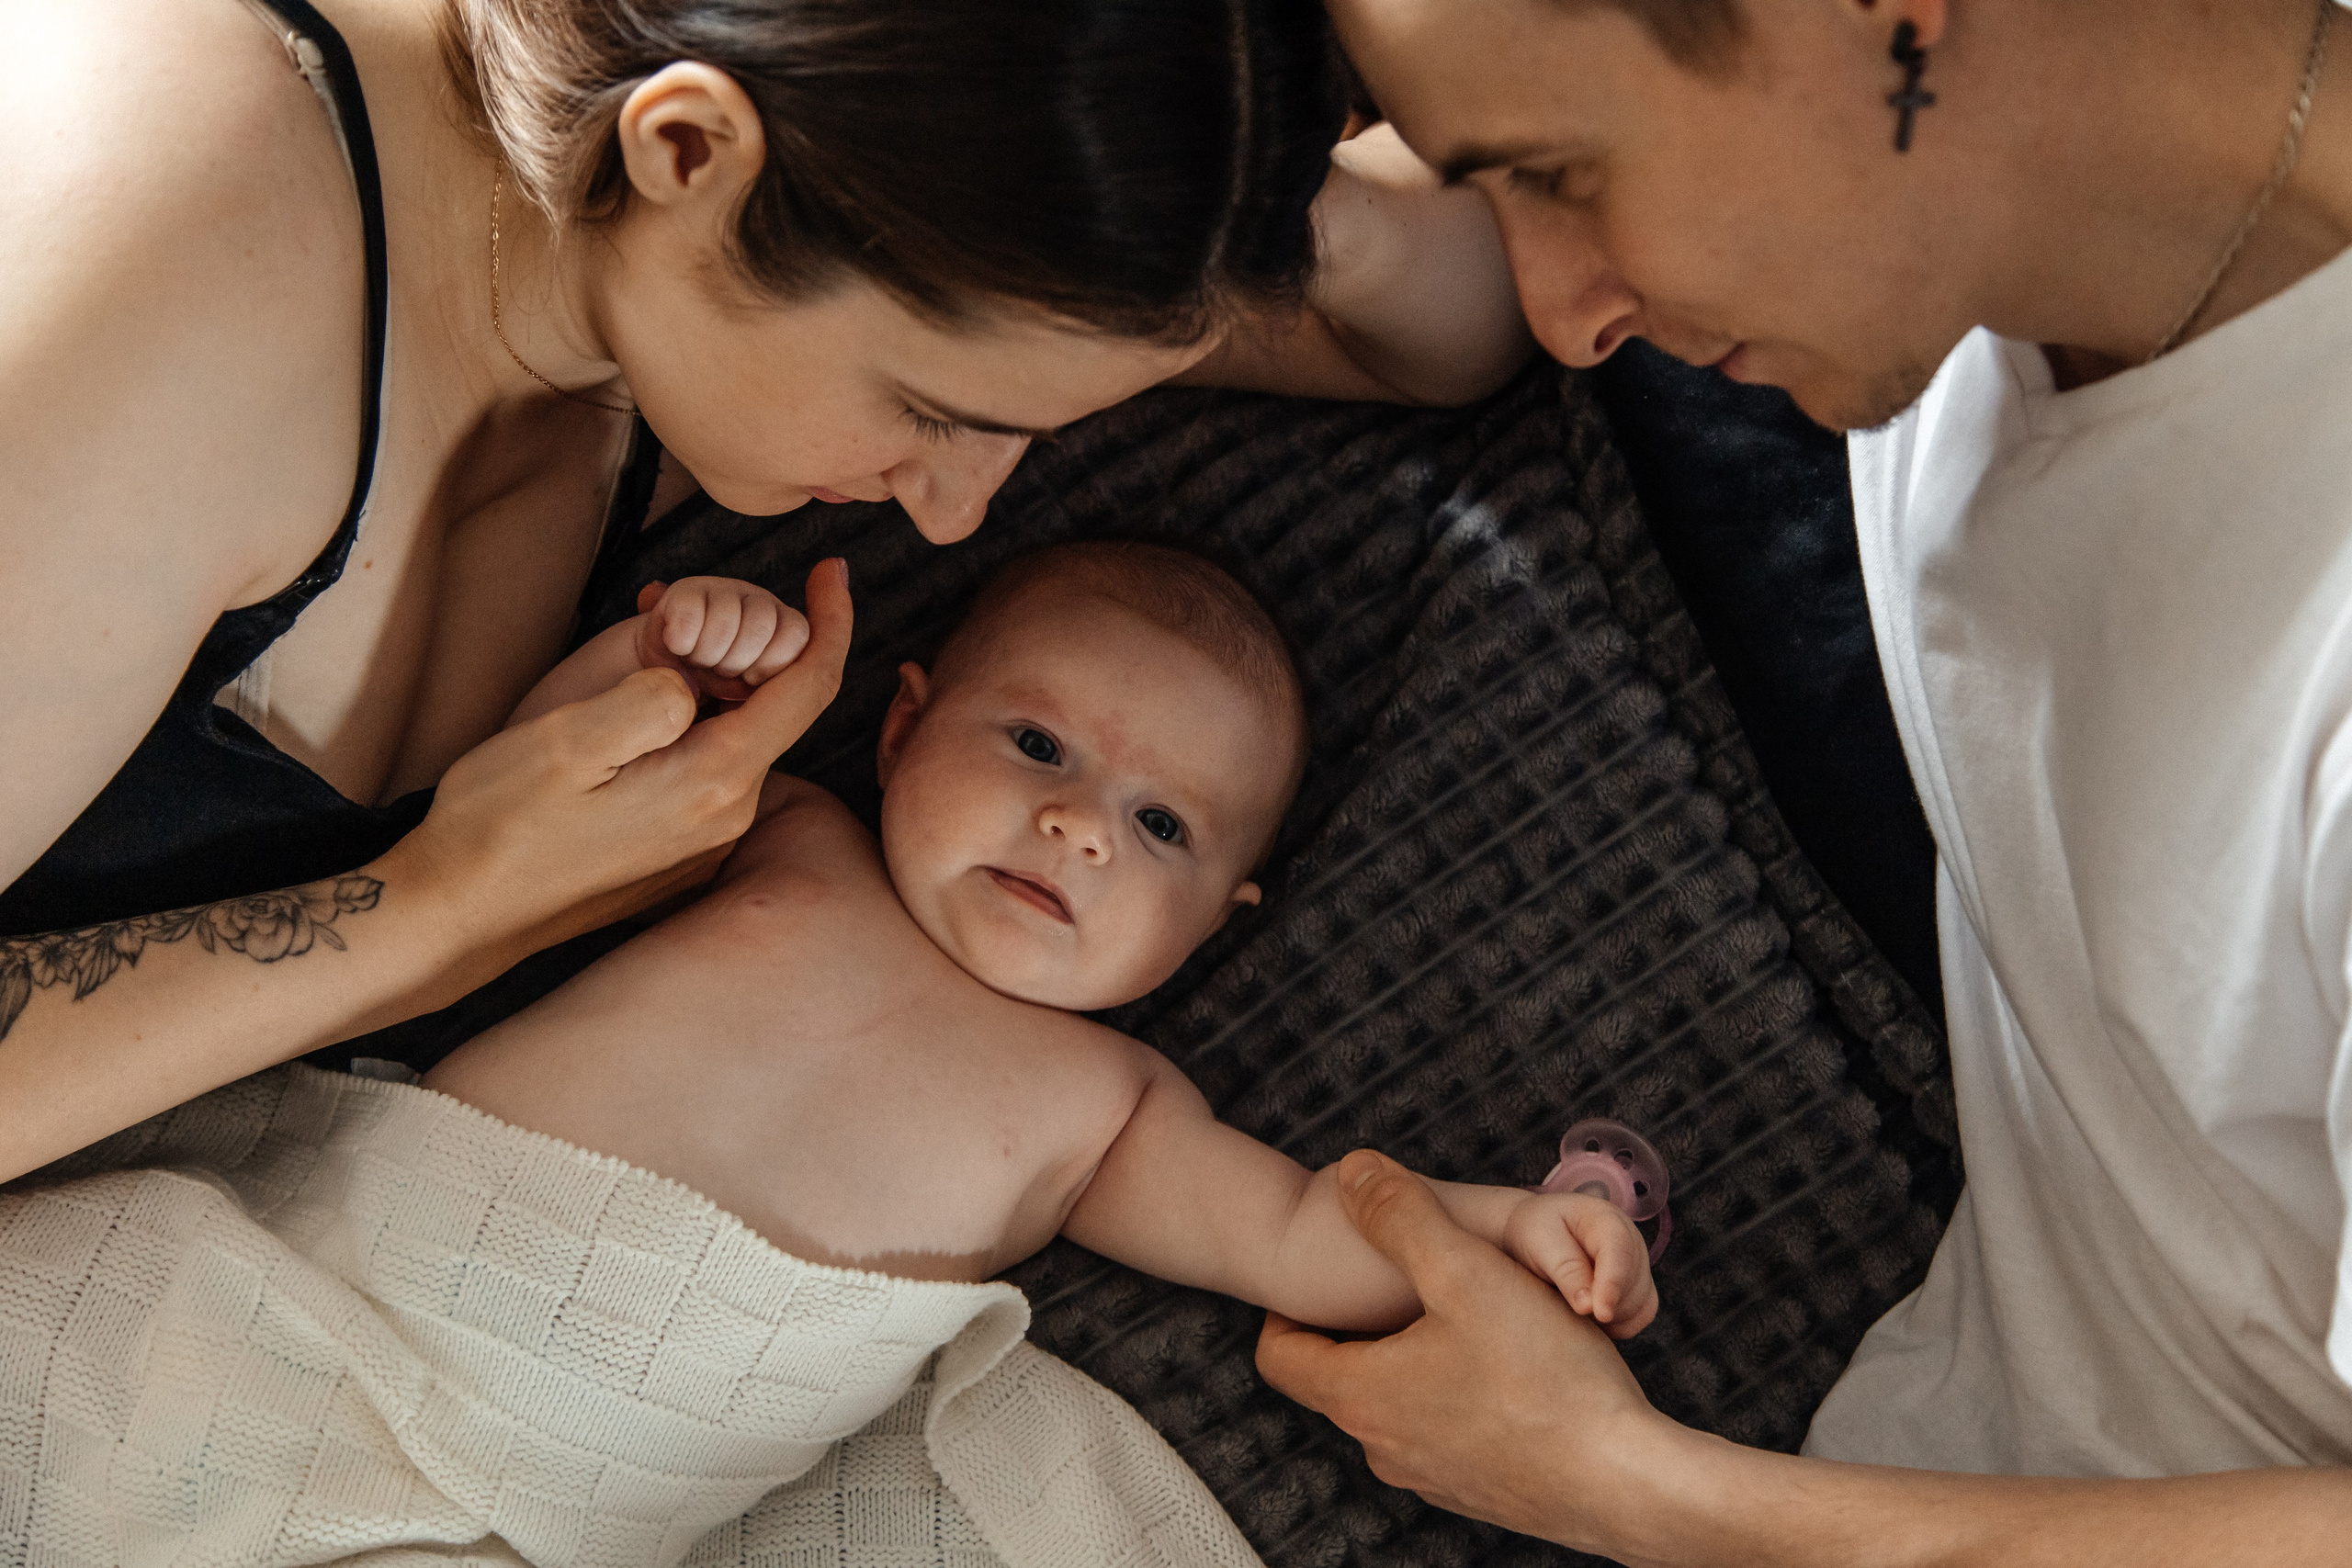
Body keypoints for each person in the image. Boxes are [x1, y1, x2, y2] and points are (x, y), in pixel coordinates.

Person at [0, 0, 1529, 1186]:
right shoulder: (173, 231)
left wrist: (1206, 190)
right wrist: (437, 910)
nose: (954, 511)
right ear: (686, 152)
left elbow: (1460, 314)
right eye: (933, 410)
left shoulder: (684, 255)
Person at [1256, 0, 2352, 1560]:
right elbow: (1422, 237)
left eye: (1562, 173)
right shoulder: (1966, 193)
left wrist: (1623, 1488)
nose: (1569, 311)